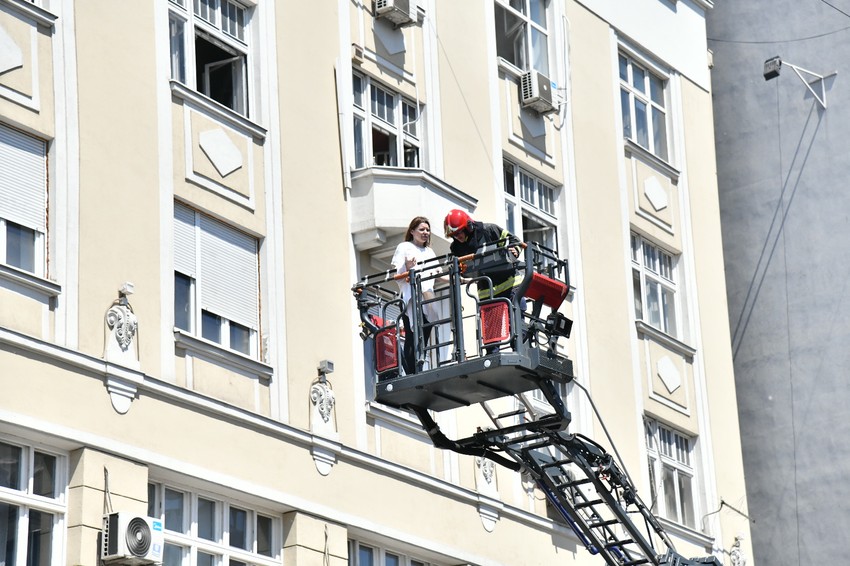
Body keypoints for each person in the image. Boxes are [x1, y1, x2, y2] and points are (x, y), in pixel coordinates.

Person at [391, 216, 438, 375]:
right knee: (413, 335)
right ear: (412, 231)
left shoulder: (429, 251)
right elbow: (397, 274)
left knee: (425, 333)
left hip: (427, 295)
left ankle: (418, 367)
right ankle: (412, 371)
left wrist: (460, 277)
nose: (426, 232)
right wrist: (407, 266)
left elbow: (437, 273)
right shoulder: (404, 246)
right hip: (411, 296)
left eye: (428, 230)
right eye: (422, 229)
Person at [443, 209, 523, 300]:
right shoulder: (456, 248)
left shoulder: (489, 230)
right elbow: (460, 270)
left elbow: (514, 240)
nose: (457, 237)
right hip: (486, 294)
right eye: (454, 235)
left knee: (516, 308)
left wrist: (515, 249)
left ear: (468, 227)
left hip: (510, 286)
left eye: (459, 232)